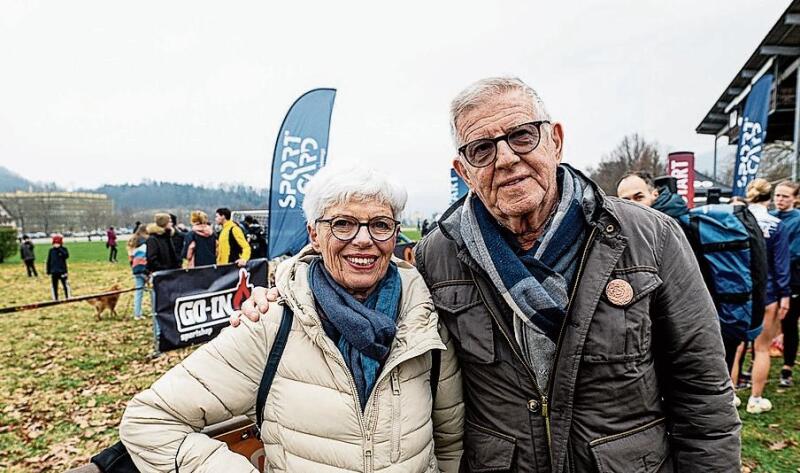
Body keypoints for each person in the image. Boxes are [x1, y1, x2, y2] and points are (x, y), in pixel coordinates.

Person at [237, 77, 741, 471]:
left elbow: (702, 392)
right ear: (463, 170)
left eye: (522, 135)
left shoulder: (648, 237)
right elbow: (360, 282)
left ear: (556, 139)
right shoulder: (438, 255)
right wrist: (286, 290)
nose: (506, 158)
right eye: (482, 148)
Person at [120, 165, 464, 472]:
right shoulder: (271, 323)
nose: (364, 240)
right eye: (342, 224)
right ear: (314, 234)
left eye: (380, 225)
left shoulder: (423, 322)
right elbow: (149, 420)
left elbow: (449, 440)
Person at [745, 179, 791, 414]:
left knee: (736, 344)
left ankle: (729, 395)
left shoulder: (735, 220)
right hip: (769, 292)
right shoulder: (776, 225)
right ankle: (755, 398)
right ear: (770, 197)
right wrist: (785, 294)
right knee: (762, 348)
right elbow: (781, 265)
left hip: (739, 291)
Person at [773, 180, 800, 387]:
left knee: (789, 323)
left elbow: (793, 252)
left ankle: (787, 368)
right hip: (769, 279)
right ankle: (757, 360)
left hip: (793, 280)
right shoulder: (770, 218)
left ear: (795, 198)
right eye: (777, 195)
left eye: (785, 196)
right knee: (764, 324)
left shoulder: (797, 220)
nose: (780, 200)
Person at [145, 213, 180, 358]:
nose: (172, 223)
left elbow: (173, 255)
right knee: (159, 307)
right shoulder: (153, 240)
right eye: (169, 221)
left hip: (170, 277)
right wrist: (163, 270)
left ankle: (170, 333)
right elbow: (151, 259)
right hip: (161, 278)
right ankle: (160, 336)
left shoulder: (168, 237)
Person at [127, 225, 150, 320]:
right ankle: (155, 310)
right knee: (153, 290)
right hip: (145, 268)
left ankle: (137, 313)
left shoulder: (132, 242)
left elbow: (130, 257)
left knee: (138, 291)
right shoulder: (146, 242)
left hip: (136, 268)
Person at [46, 234, 70, 301]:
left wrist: (59, 249)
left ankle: (67, 297)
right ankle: (55, 298)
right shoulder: (51, 251)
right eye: (55, 243)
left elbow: (66, 256)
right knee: (54, 286)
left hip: (62, 271)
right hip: (54, 271)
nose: (56, 245)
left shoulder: (64, 249)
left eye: (58, 243)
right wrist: (48, 270)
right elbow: (49, 260)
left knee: (65, 284)